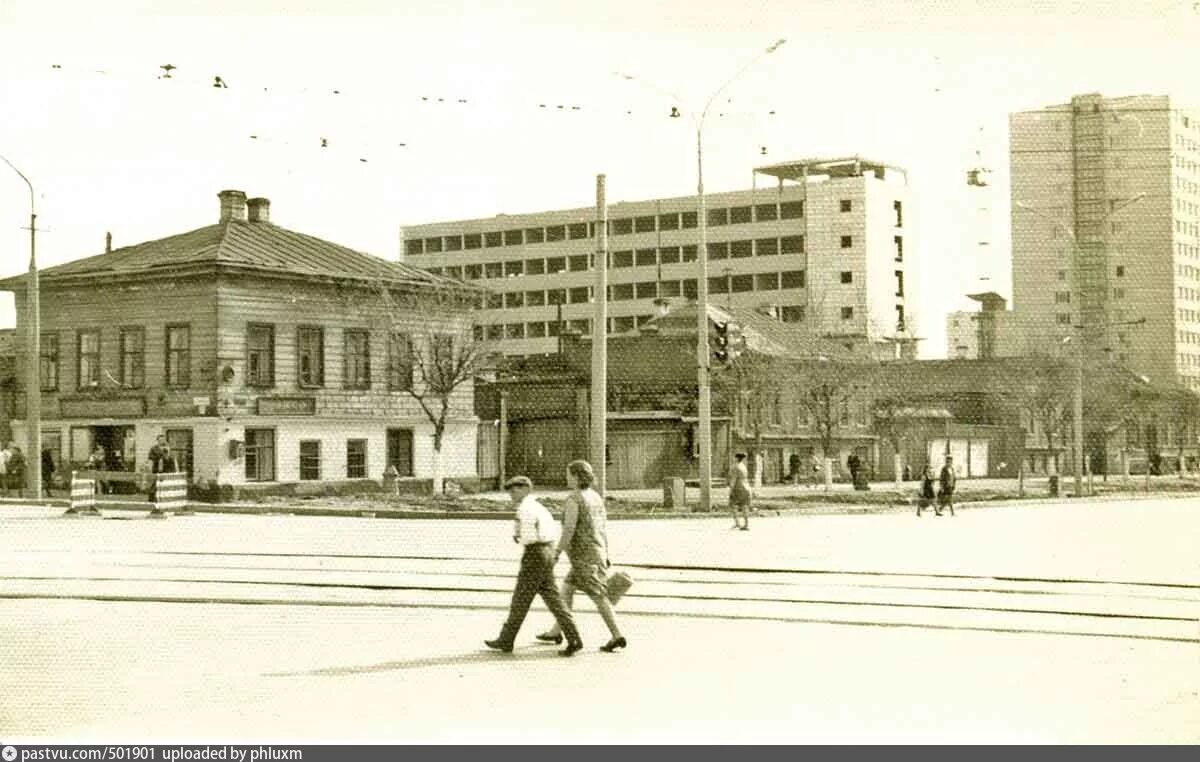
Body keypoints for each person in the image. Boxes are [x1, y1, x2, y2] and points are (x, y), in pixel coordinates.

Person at [485, 475, 584, 657]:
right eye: (510, 492)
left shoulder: (525, 509)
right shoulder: (538, 506)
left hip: (534, 554)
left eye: (515, 491)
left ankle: (506, 639)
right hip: (546, 551)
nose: (512, 495)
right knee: (553, 599)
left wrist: (518, 536)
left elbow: (528, 537)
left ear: (526, 489)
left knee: (520, 599)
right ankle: (574, 637)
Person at [536, 460, 626, 653]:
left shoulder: (574, 500)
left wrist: (557, 552)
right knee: (566, 590)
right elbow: (603, 528)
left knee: (599, 596)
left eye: (568, 474)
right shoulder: (595, 497)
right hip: (596, 552)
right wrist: (607, 553)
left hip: (584, 558)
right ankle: (556, 630)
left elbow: (569, 529)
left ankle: (617, 635)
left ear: (576, 476)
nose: (566, 477)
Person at [147, 434, 178, 501]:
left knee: (166, 485)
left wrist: (168, 453)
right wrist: (150, 469)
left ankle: (165, 498)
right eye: (160, 440)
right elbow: (150, 459)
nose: (162, 441)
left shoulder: (168, 448)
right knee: (156, 484)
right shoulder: (154, 449)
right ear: (157, 440)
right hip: (157, 469)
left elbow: (172, 459)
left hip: (167, 470)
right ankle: (152, 498)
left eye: (163, 440)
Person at [729, 452, 752, 530]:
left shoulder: (735, 467)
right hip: (747, 487)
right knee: (744, 506)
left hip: (738, 488)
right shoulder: (743, 466)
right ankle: (746, 524)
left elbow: (733, 480)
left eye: (734, 457)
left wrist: (731, 490)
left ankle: (737, 523)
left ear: (736, 458)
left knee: (732, 505)